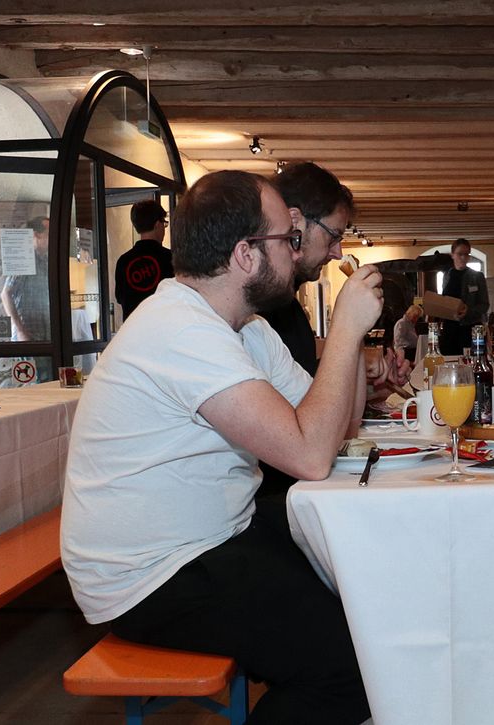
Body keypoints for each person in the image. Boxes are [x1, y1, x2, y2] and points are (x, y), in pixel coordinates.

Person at [61, 170, 382, 725]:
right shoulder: (181, 329)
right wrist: (346, 332)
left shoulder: (245, 327)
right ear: (245, 255)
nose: (297, 249)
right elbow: (310, 456)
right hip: (148, 574)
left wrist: (353, 343)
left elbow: (337, 429)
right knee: (351, 669)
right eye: (287, 238)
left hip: (214, 534)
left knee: (356, 581)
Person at [256, 161, 410, 498]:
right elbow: (313, 449)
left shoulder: (289, 310)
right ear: (295, 222)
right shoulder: (257, 314)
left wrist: (356, 338)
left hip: (300, 488)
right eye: (333, 236)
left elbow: (344, 425)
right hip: (277, 497)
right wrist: (347, 327)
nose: (338, 252)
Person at [1, 216, 53, 381]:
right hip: (29, 337)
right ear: (36, 235)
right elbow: (6, 294)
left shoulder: (47, 261)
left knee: (48, 383)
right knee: (35, 385)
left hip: (46, 337)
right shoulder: (26, 261)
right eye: (49, 233)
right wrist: (21, 331)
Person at [114, 199, 174, 321]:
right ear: (157, 225)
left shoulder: (123, 261)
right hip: (165, 326)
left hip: (134, 328)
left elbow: (120, 298)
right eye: (164, 224)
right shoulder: (170, 258)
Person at [439, 238, 489, 354]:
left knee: (472, 360)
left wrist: (469, 310)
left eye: (466, 254)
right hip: (450, 329)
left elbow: (484, 305)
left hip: (470, 328)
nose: (463, 257)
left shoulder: (477, 277)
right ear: (452, 255)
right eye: (460, 254)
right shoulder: (447, 275)